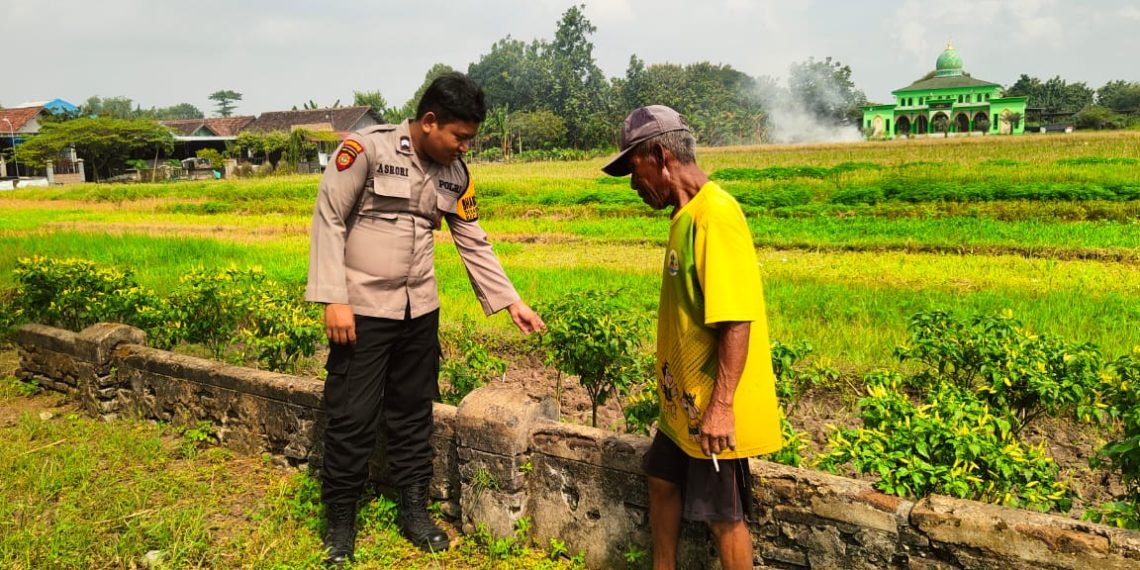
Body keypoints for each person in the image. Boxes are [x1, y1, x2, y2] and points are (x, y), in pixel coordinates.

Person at [305, 72, 545, 566]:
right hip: (363, 311)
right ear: (430, 121)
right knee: (352, 416)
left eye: (469, 140)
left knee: (414, 412)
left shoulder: (456, 174)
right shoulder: (367, 150)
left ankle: (413, 511)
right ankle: (340, 522)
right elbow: (328, 216)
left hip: (420, 312)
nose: (464, 148)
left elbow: (472, 239)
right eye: (459, 137)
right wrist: (333, 297)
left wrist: (511, 300)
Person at [602, 105, 783, 570]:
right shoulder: (684, 216)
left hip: (710, 407)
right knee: (661, 478)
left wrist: (721, 408)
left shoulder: (715, 215)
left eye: (633, 167)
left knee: (724, 517)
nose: (632, 183)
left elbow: (735, 319)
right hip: (683, 404)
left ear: (660, 155)